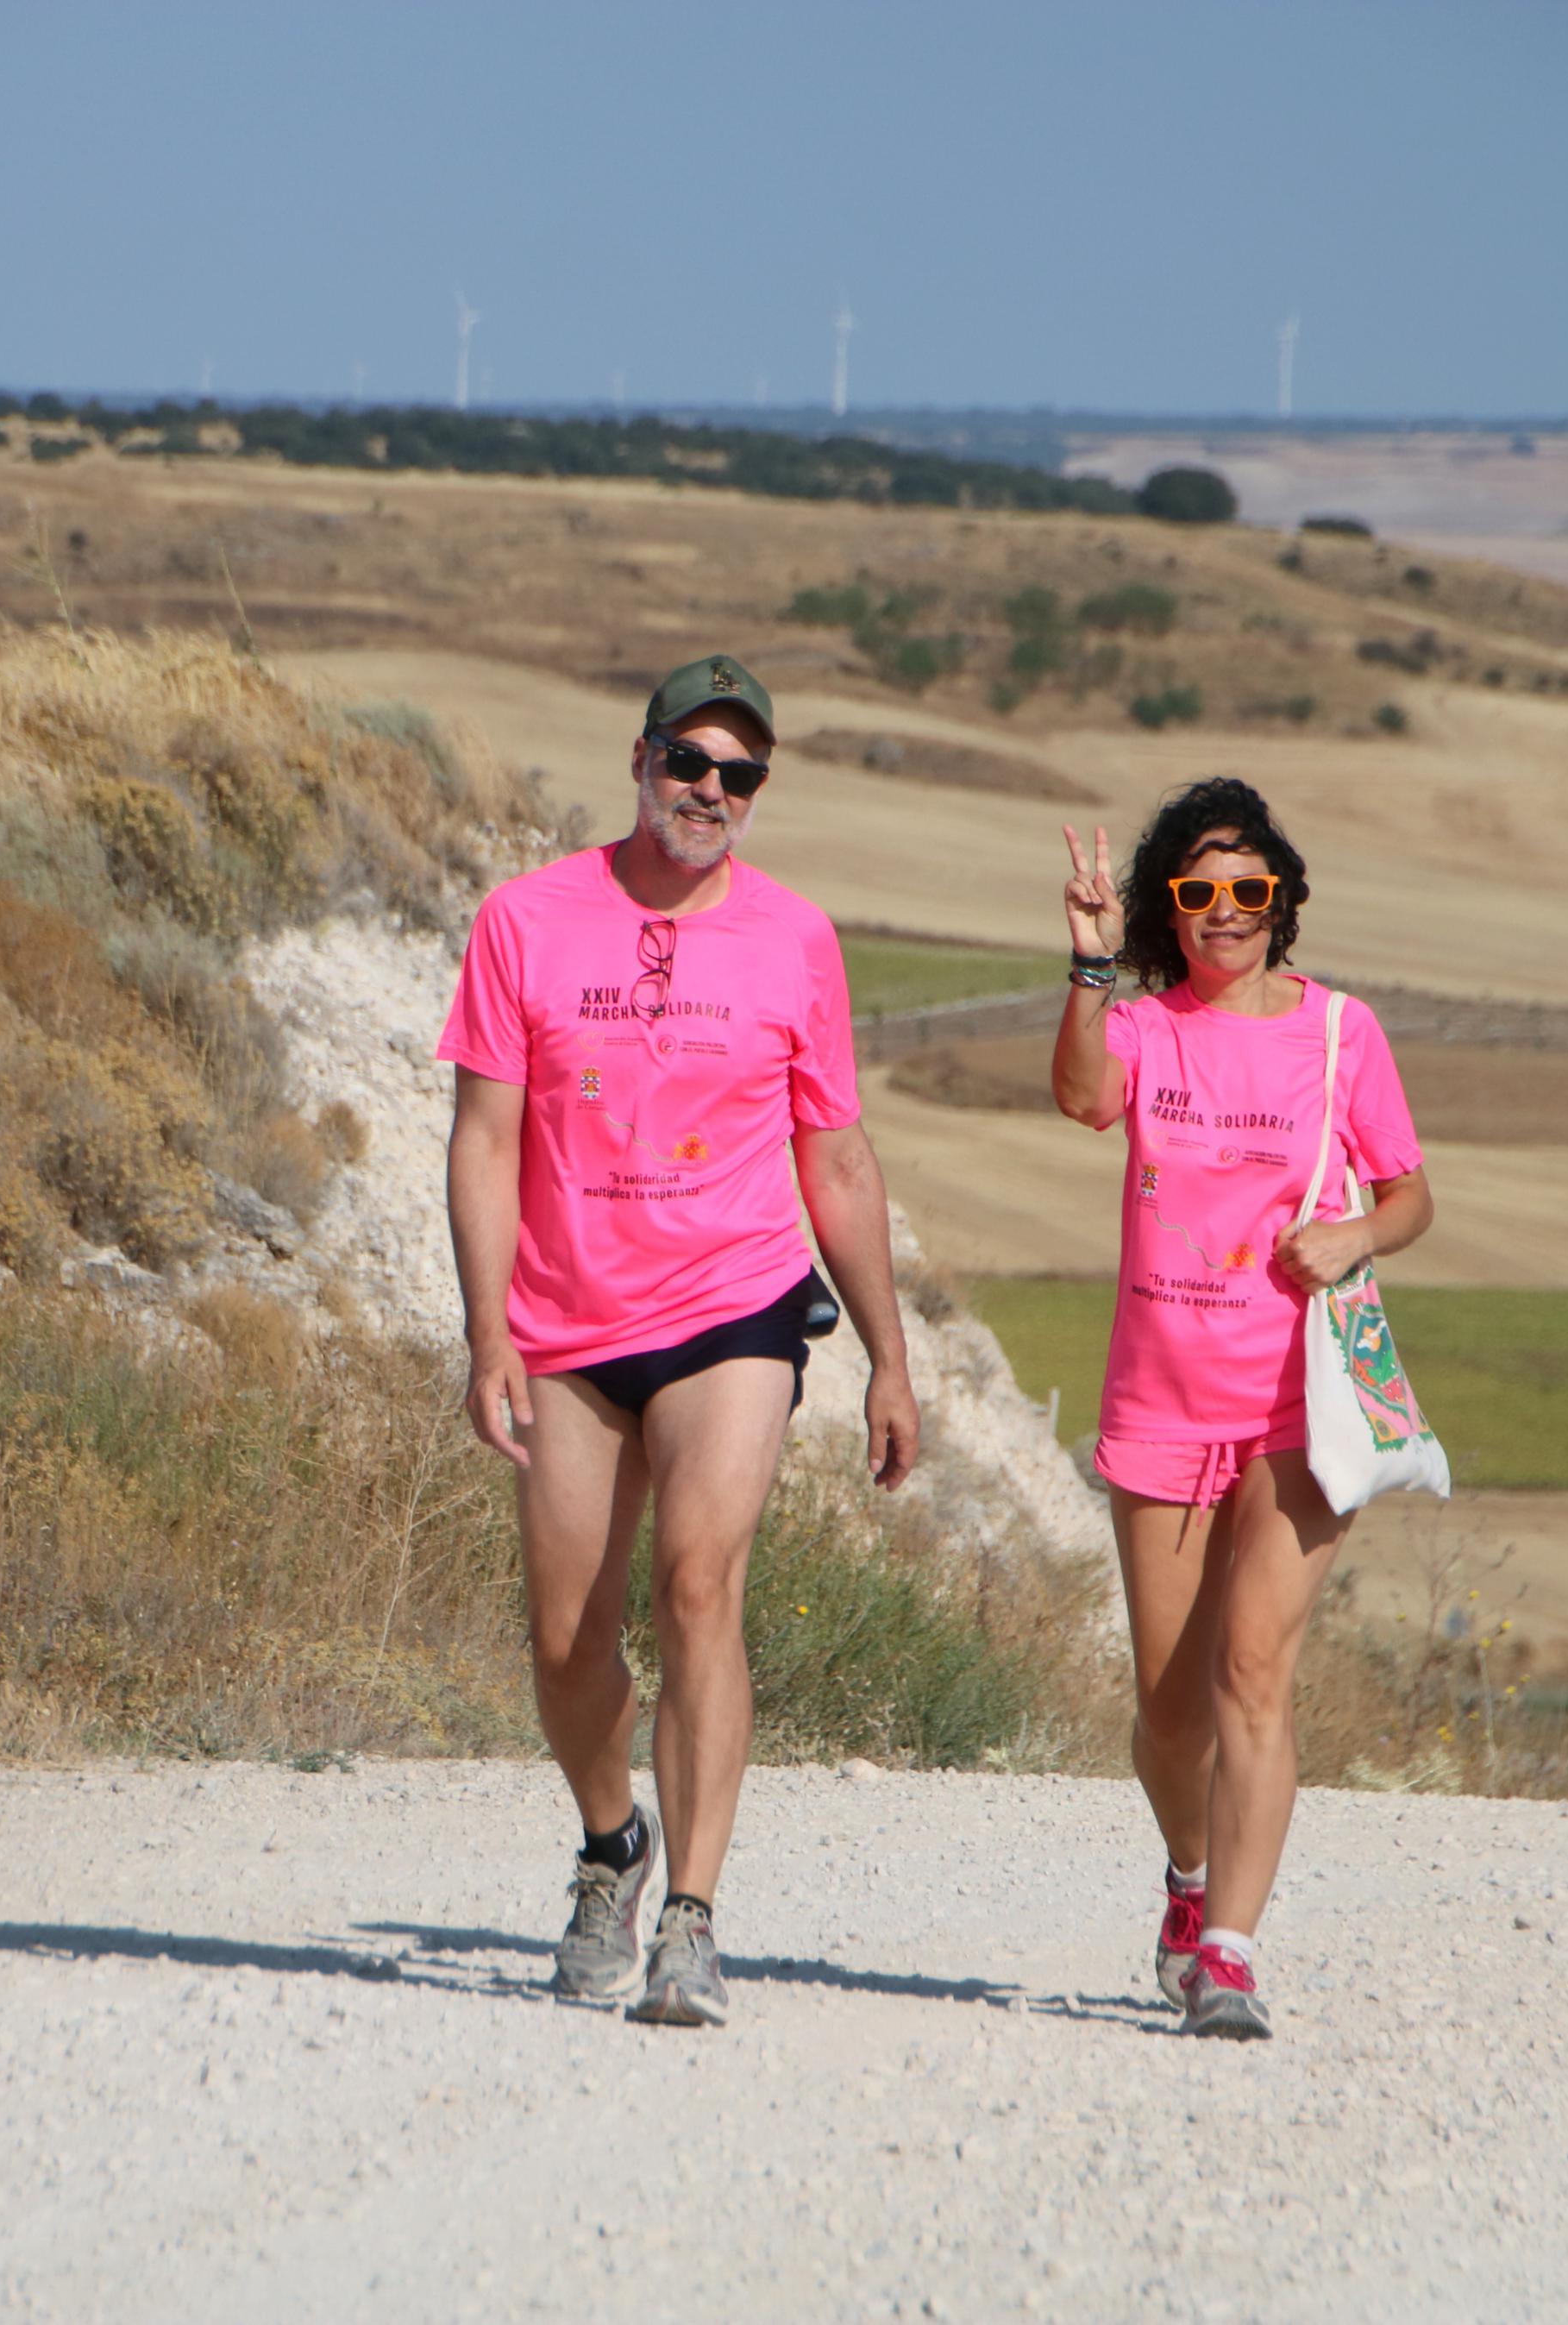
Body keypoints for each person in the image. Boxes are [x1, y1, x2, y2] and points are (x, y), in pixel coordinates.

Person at [440, 652, 921, 2028]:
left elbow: (833, 1156)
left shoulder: (796, 939)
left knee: (701, 1586)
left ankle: (693, 1923)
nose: (710, 790)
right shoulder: (527, 919)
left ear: (758, 793)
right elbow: (483, 1140)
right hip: (565, 1320)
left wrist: (889, 1355)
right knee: (562, 1637)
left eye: (740, 774)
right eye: (689, 762)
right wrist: (488, 1334)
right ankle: (614, 1849)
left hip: (736, 1309)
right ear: (640, 760)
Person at [1049, 776, 1433, 2039]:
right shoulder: (1149, 1026)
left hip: (1299, 1404)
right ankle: (1186, 1877)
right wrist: (1088, 963)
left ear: (1283, 902)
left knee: (1252, 1672)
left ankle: (1229, 1954)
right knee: (1168, 1709)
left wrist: (1358, 1234)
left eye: (1249, 890)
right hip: (1161, 1400)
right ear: (1173, 905)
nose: (1227, 911)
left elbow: (1412, 1194)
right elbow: (1080, 1098)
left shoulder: (1341, 1034)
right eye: (1201, 891)